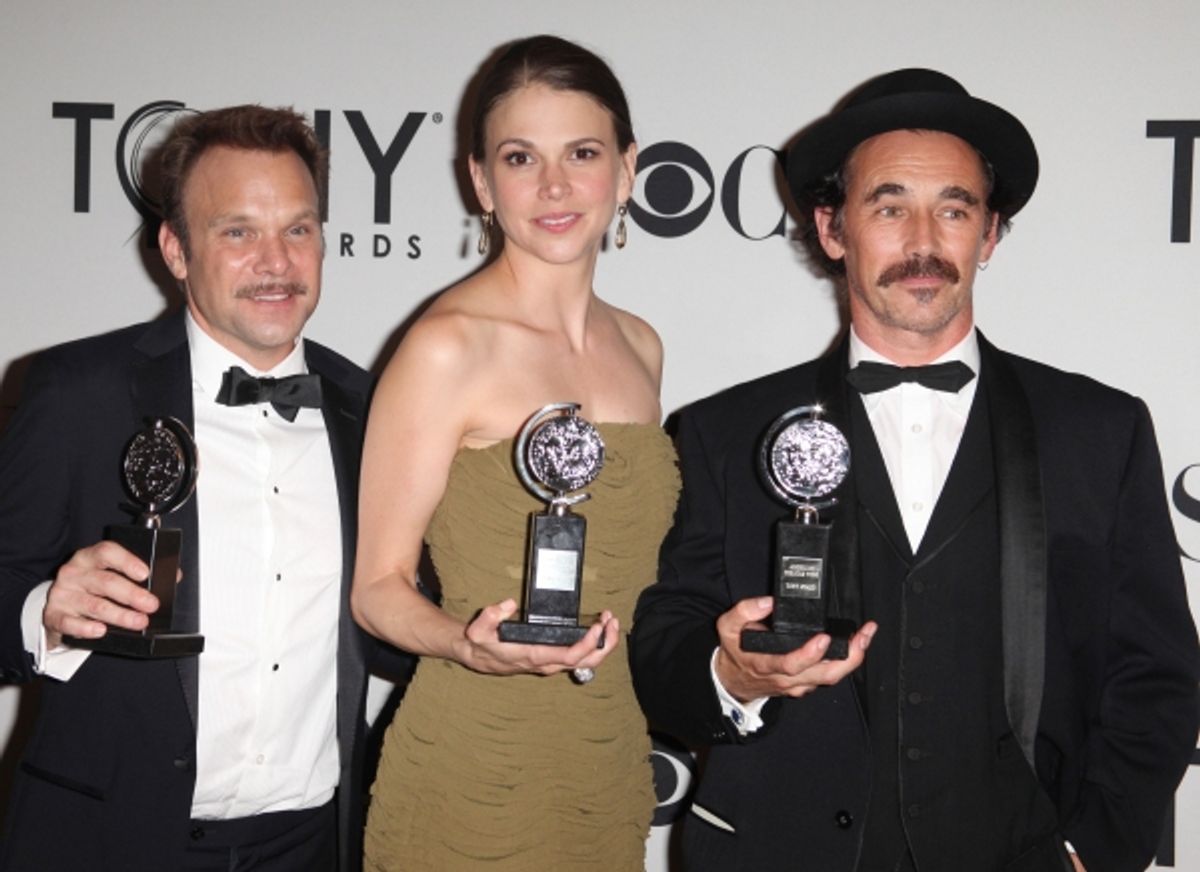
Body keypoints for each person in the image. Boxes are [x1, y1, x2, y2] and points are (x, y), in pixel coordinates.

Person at [630, 69, 1199, 872]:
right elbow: (661, 648)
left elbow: (1156, 676)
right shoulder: (722, 432)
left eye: (955, 209)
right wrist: (733, 673)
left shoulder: (1100, 431)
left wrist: (1087, 852)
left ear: (989, 235)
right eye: (889, 207)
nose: (924, 242)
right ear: (832, 229)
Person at [0, 105, 399, 871]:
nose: (276, 262)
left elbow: (390, 620)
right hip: (105, 843)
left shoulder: (372, 409)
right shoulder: (78, 392)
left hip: (310, 847)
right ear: (176, 250)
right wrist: (43, 609)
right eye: (238, 232)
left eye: (298, 228)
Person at [351, 34, 678, 871]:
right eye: (521, 158)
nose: (554, 186)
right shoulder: (446, 347)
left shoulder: (641, 348)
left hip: (606, 757)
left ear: (627, 169)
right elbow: (377, 590)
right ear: (481, 182)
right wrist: (466, 643)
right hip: (473, 766)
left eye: (583, 153)